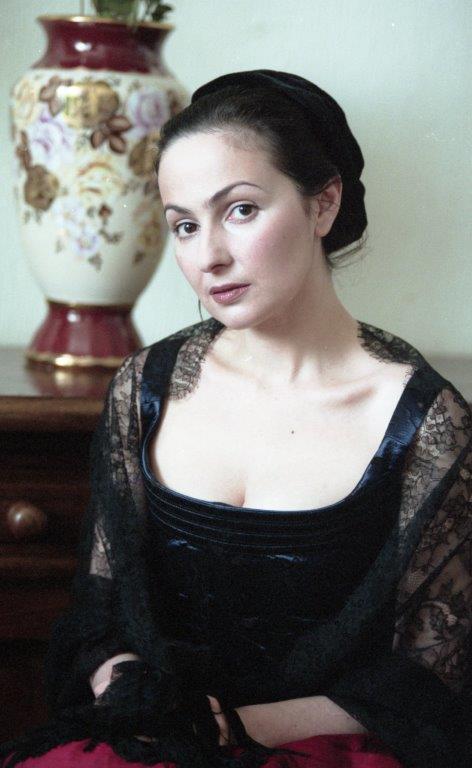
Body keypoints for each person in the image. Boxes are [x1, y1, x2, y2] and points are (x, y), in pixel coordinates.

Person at [1, 69, 471, 768]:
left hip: (324, 749)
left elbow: (426, 678)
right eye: (185, 225)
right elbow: (101, 612)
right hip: (153, 740)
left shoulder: (426, 425)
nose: (209, 256)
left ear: (323, 204)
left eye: (241, 210)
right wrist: (136, 697)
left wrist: (224, 727)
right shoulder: (146, 388)